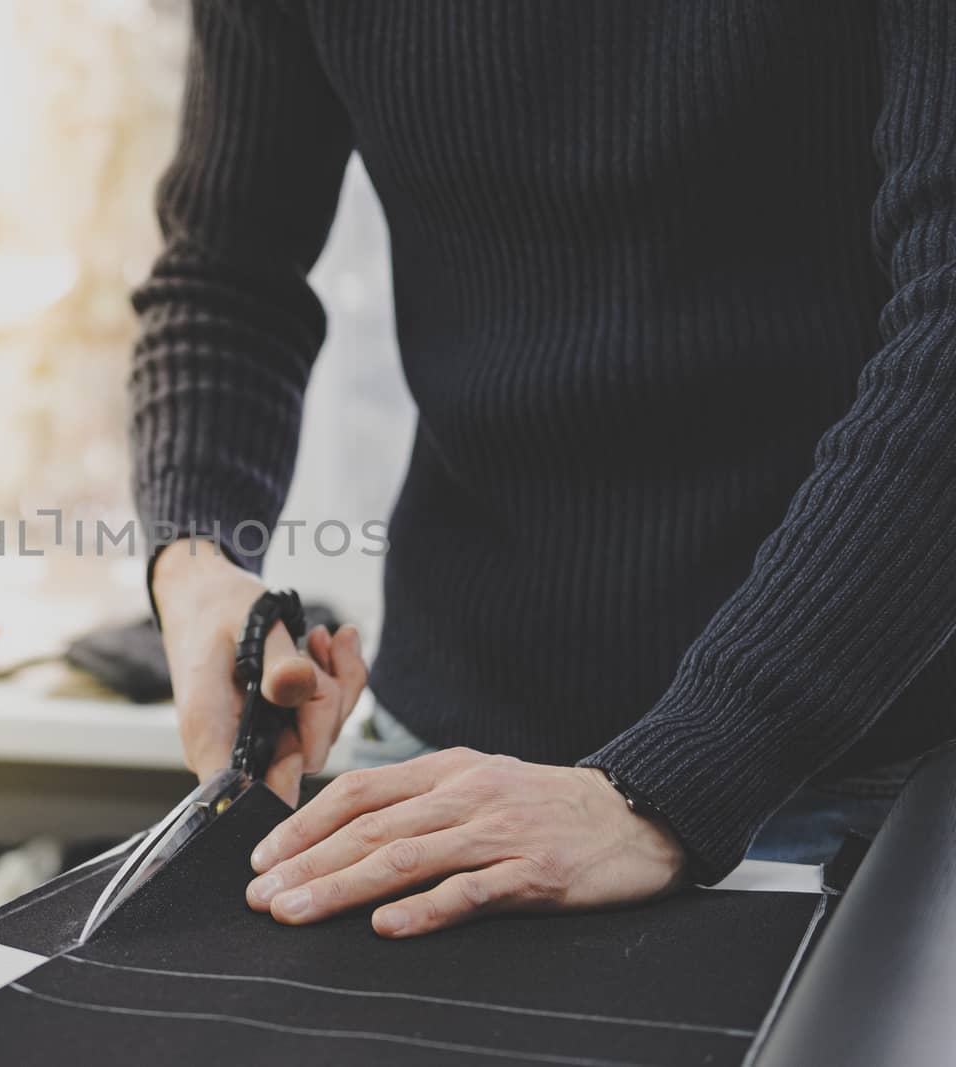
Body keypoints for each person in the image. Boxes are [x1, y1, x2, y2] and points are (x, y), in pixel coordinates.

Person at [130, 1, 956, 940]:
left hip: (846, 770)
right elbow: (227, 275)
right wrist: (193, 563)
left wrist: (673, 780)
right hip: (449, 757)